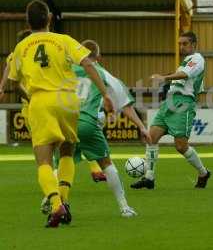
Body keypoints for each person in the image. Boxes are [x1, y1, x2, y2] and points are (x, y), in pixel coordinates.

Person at [8, 0, 114, 227]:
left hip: (40, 101)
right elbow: (88, 64)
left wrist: (31, 97)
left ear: (28, 22)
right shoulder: (63, 40)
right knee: (67, 151)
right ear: (49, 19)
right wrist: (105, 93)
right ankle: (64, 201)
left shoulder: (21, 47)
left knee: (44, 160)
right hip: (67, 101)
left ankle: (56, 205)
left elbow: (14, 82)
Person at [46, 40, 151, 217]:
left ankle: (54, 200)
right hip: (87, 123)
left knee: (63, 161)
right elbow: (125, 105)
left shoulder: (67, 70)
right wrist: (142, 127)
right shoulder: (103, 74)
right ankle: (124, 207)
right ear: (99, 57)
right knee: (106, 164)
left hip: (65, 122)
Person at [131, 31, 211, 190]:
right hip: (169, 102)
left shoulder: (197, 59)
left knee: (181, 146)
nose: (181, 47)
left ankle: (203, 173)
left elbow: (184, 74)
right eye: (179, 44)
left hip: (183, 104)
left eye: (185, 43)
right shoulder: (186, 61)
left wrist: (164, 77)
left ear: (194, 44)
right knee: (151, 137)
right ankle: (149, 177)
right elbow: (181, 75)